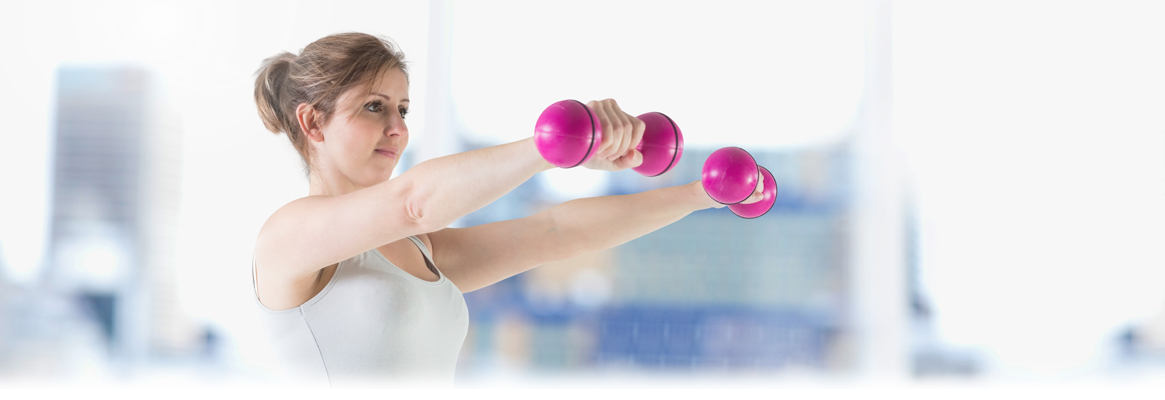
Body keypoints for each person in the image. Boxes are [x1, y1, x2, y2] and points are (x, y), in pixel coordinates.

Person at [250, 32, 763, 385]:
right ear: (313, 124)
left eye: (403, 109)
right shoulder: (288, 238)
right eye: (373, 106)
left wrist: (703, 195)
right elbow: (412, 203)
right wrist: (554, 146)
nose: (398, 128)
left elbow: (556, 232)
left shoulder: (417, 250)